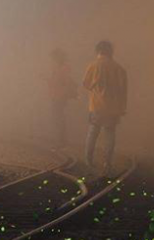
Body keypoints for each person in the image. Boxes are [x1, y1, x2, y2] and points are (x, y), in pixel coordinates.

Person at [82, 40, 128, 174]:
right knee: (110, 134)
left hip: (96, 106)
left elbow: (85, 83)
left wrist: (94, 87)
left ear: (98, 51)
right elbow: (123, 91)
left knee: (93, 133)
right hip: (113, 108)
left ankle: (88, 160)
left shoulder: (93, 66)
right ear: (111, 52)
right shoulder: (119, 68)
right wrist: (122, 108)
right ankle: (107, 162)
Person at [47, 48, 77, 147]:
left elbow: (64, 83)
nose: (51, 60)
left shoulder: (63, 68)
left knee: (58, 118)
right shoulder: (59, 68)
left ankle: (60, 141)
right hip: (57, 95)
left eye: (53, 58)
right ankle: (60, 140)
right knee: (58, 117)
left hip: (59, 96)